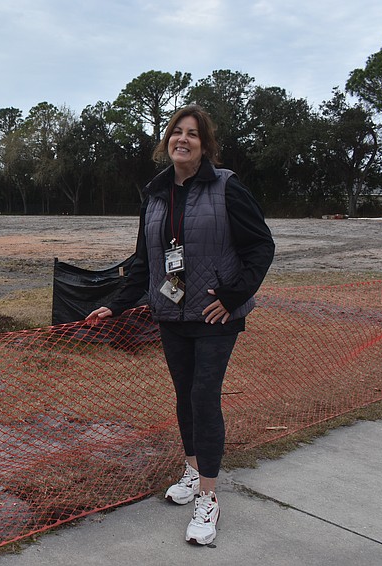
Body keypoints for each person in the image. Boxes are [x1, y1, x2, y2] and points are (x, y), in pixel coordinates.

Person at [86, 104, 275, 546]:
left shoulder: (227, 187)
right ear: (167, 141)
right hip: (170, 315)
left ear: (204, 145)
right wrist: (116, 305)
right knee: (185, 397)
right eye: (176, 132)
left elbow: (261, 247)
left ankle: (208, 498)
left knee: (205, 398)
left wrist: (232, 297)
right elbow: (144, 261)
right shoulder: (154, 195)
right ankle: (192, 470)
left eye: (192, 133)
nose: (182, 139)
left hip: (214, 317)